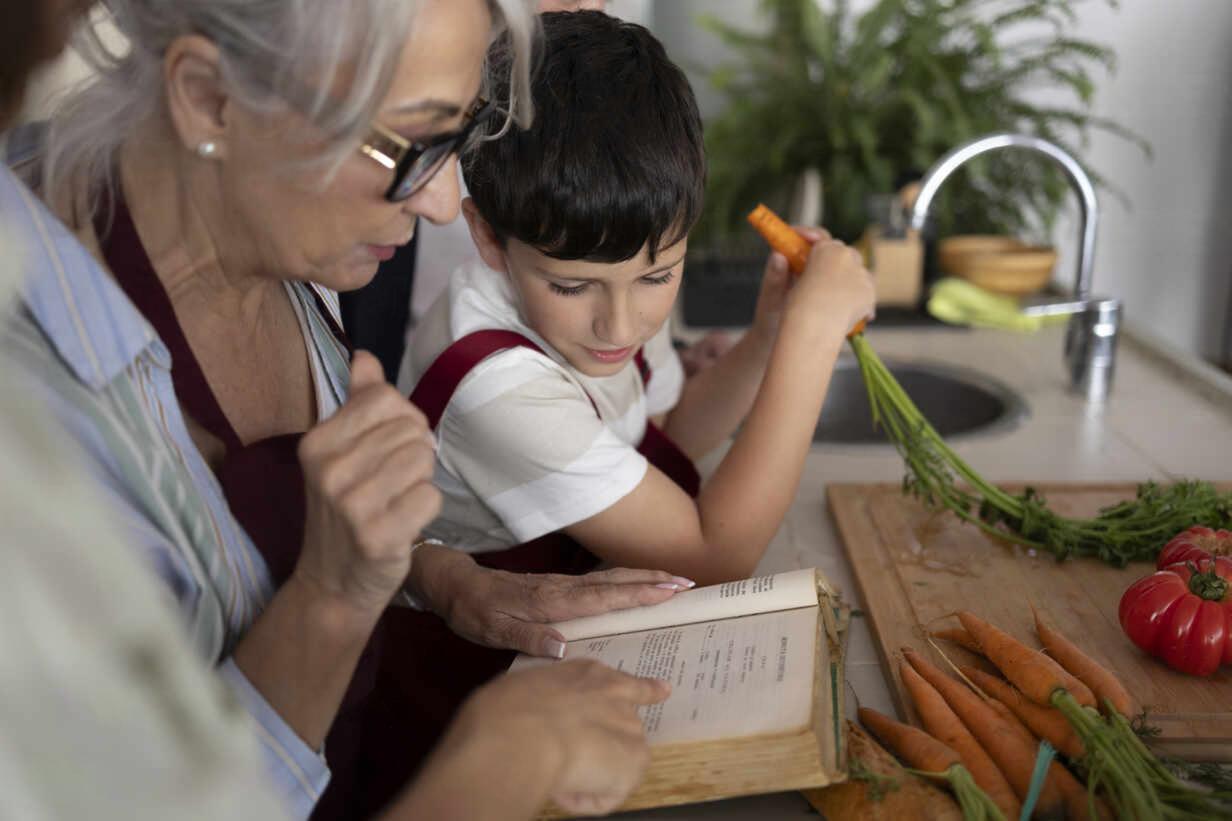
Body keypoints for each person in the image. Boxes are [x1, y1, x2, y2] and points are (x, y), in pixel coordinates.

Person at [4, 0, 689, 818]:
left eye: (461, 135)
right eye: (410, 143)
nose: (442, 204)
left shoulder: (279, 235)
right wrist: (494, 765)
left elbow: (299, 543)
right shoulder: (39, 408)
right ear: (209, 99)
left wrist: (441, 577)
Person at [406, 12, 875, 587]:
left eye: (658, 278)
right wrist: (813, 335)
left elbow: (666, 433)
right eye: (571, 286)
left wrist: (771, 335)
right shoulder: (495, 386)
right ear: (486, 236)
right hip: (482, 663)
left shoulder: (618, 267)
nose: (621, 327)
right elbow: (713, 556)